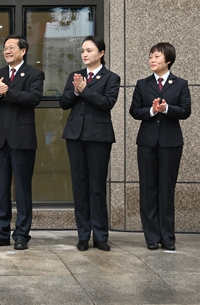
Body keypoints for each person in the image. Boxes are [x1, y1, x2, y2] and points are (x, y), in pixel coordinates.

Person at [0, 35, 44, 250]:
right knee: (2, 189)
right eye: (5, 48)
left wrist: (8, 92)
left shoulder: (34, 74)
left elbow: (34, 98)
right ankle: (1, 233)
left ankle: (22, 235)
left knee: (23, 189)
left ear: (23, 50)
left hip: (22, 139)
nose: (7, 51)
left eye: (11, 47)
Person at [59, 36, 120, 252]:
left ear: (101, 53)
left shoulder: (111, 78)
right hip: (75, 136)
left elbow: (107, 103)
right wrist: (76, 91)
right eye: (83, 51)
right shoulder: (75, 76)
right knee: (79, 186)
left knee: (97, 186)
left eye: (89, 50)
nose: (84, 54)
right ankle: (83, 235)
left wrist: (85, 90)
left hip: (98, 137)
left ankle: (101, 235)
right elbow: (64, 103)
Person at [130, 42, 191, 251]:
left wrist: (166, 109)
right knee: (148, 189)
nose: (152, 60)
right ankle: (151, 237)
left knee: (166, 189)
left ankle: (168, 237)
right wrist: (152, 111)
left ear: (168, 60)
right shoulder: (142, 84)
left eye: (157, 56)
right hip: (147, 142)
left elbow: (185, 111)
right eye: (150, 56)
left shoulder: (180, 84)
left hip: (170, 142)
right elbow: (134, 110)